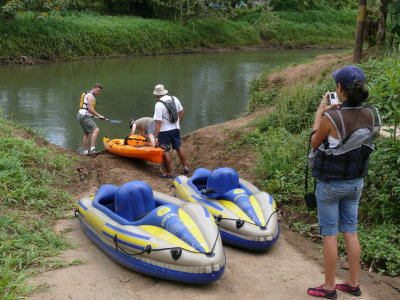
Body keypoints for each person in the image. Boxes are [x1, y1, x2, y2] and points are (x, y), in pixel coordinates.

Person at [307, 65, 380, 299]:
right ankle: (354, 284)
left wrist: (321, 110)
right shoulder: (371, 114)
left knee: (330, 234)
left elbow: (314, 143)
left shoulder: (331, 117)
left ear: (339, 89)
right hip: (356, 183)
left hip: (330, 184)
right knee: (351, 231)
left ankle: (329, 288)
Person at [152, 84, 189, 178]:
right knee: (179, 147)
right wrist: (178, 124)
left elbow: (158, 122)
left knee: (164, 151)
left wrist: (156, 136)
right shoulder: (174, 99)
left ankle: (169, 172)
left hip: (164, 132)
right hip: (175, 129)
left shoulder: (159, 104)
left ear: (157, 94)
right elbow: (182, 113)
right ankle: (185, 167)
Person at [77, 83, 104, 155]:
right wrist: (99, 116)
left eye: (99, 91)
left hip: (80, 115)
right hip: (83, 116)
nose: (98, 92)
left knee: (87, 134)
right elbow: (90, 109)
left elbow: (87, 109)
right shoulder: (91, 96)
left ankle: (85, 152)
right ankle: (92, 149)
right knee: (96, 129)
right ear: (93, 88)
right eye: (97, 90)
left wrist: (90, 115)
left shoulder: (89, 94)